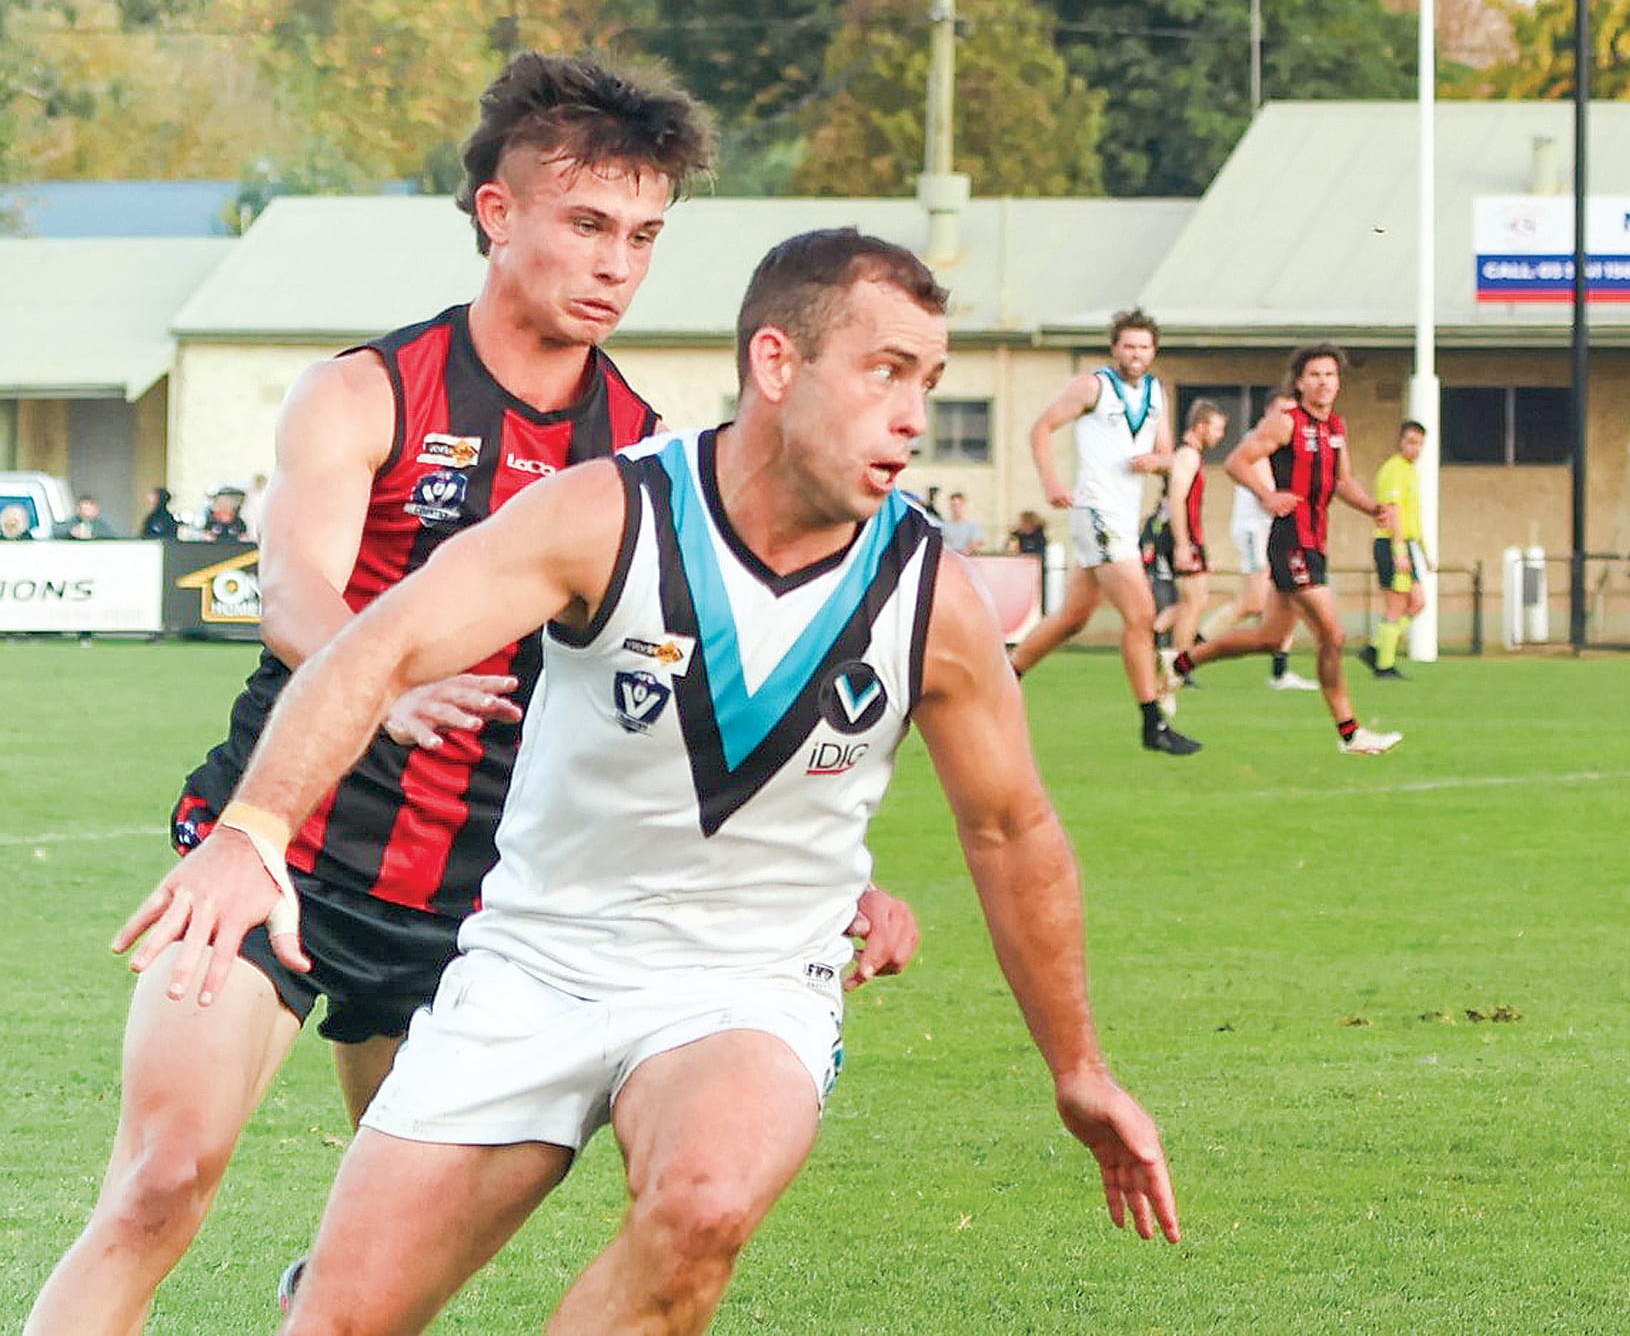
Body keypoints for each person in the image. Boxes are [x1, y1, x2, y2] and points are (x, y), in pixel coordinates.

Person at [119, 228, 1179, 1335]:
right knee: (341, 1318)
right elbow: (376, 647)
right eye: (884, 372)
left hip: (744, 984)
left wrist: (1079, 1067)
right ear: (777, 363)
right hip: (532, 964)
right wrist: (253, 827)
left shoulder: (930, 594)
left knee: (705, 1199)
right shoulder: (604, 513)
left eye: (929, 382)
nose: (914, 416)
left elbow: (1010, 828)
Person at [27, 56, 917, 1336]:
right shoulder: (367, 390)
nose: (617, 264)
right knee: (161, 1178)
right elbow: (289, 592)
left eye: (644, 238)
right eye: (587, 225)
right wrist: (379, 686)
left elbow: (710, 704)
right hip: (289, 849)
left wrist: (840, 876)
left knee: (372, 1273)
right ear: (498, 215)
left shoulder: (645, 458)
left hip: (484, 905)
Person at [1160, 344, 1402, 756]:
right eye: (1315, 375)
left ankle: (1179, 663)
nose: (1323, 382)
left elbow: (1342, 482)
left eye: (1330, 375)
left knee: (1268, 637)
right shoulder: (1286, 422)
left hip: (1315, 542)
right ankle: (1350, 732)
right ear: (1300, 382)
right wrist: (1268, 495)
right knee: (1333, 633)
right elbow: (1237, 460)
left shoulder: (1336, 428)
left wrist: (1373, 508)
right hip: (1291, 541)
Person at [1008, 309, 1200, 756]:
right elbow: (1042, 427)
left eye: (1144, 347)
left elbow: (1166, 452)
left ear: (1154, 351)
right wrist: (1052, 482)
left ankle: (1004, 676)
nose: (1136, 354)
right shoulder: (1093, 386)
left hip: (1123, 516)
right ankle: (1153, 722)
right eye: (1128, 345)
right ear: (1115, 347)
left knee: (1073, 618)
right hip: (1095, 510)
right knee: (1141, 615)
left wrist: (1157, 461)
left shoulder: (1156, 392)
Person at [1201, 391, 1312, 692]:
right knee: (1252, 602)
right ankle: (1190, 652)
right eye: (1281, 411)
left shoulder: (1292, 439)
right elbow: (1267, 489)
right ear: (1267, 413)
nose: (1287, 418)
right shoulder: (1260, 440)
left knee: (1291, 596)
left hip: (1275, 530)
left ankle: (1280, 672)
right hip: (1255, 529)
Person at [1150, 400, 1227, 663]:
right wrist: (1183, 544)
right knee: (1192, 601)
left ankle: (1156, 633)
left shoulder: (1189, 455)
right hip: (1183, 537)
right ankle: (1178, 664)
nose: (1221, 435)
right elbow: (1177, 498)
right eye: (1217, 429)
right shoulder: (1188, 455)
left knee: (1196, 599)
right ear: (1201, 426)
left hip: (1191, 536)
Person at [1364, 420, 1430, 679]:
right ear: (1401, 442)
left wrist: (1423, 550)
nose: (1415, 448)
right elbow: (1393, 511)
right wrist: (1400, 549)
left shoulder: (1411, 471)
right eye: (1411, 442)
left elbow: (1412, 515)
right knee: (1396, 605)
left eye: (1420, 443)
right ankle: (1384, 665)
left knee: (1417, 602)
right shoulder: (1393, 469)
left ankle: (1377, 648)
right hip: (1392, 543)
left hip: (1407, 544)